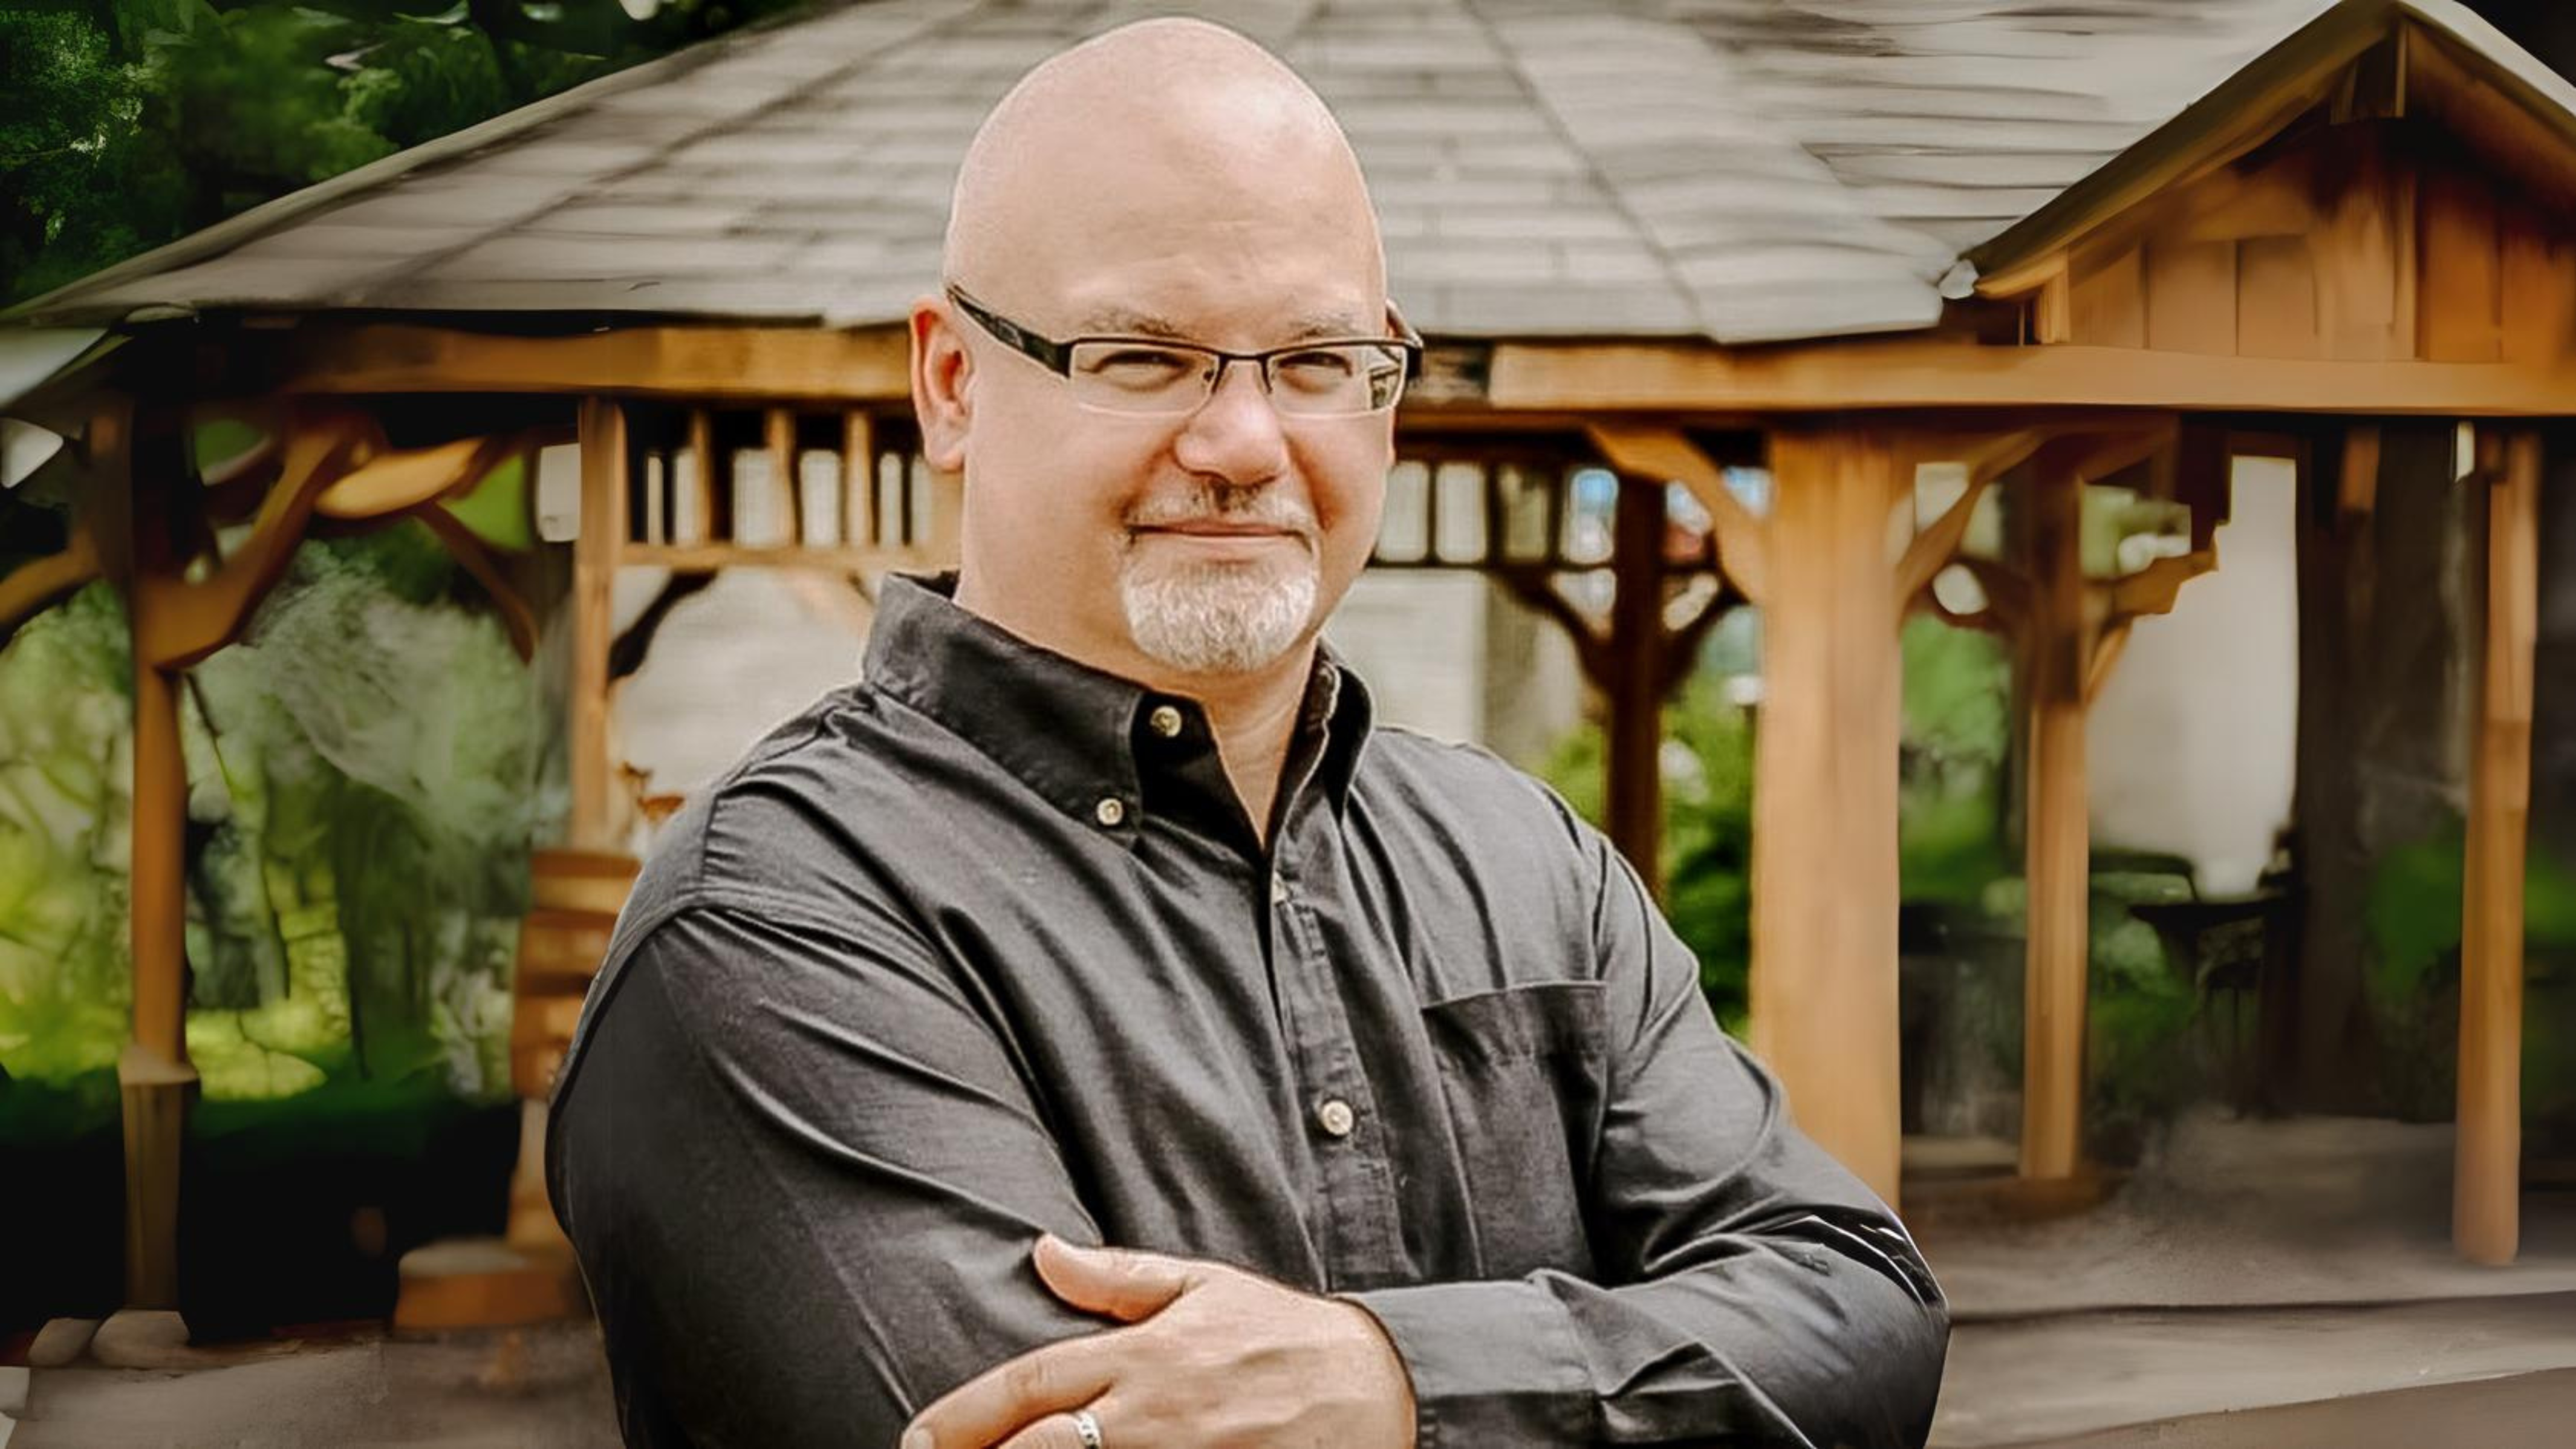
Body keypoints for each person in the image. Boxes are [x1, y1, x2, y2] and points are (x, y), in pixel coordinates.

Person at [547, 17, 1949, 1449]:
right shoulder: (774, 923)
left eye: (1319, 359)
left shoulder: (1528, 866)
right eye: (1147, 357)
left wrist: (1396, 1384)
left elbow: (1865, 1314)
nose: (1246, 442)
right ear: (954, 385)